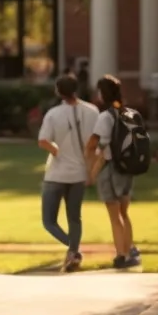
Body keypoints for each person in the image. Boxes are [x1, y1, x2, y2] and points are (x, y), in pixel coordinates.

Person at [36, 74, 98, 272]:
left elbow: (43, 140)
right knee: (74, 217)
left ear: (58, 91)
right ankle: (73, 251)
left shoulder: (53, 114)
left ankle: (73, 250)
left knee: (49, 221)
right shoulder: (92, 111)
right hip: (79, 173)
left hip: (57, 173)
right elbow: (96, 143)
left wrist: (56, 151)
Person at [85, 75, 143, 270]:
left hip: (110, 169)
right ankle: (130, 252)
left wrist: (91, 171)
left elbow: (96, 146)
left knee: (114, 215)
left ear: (103, 94)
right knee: (124, 213)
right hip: (127, 168)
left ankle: (121, 255)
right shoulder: (129, 113)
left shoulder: (105, 117)